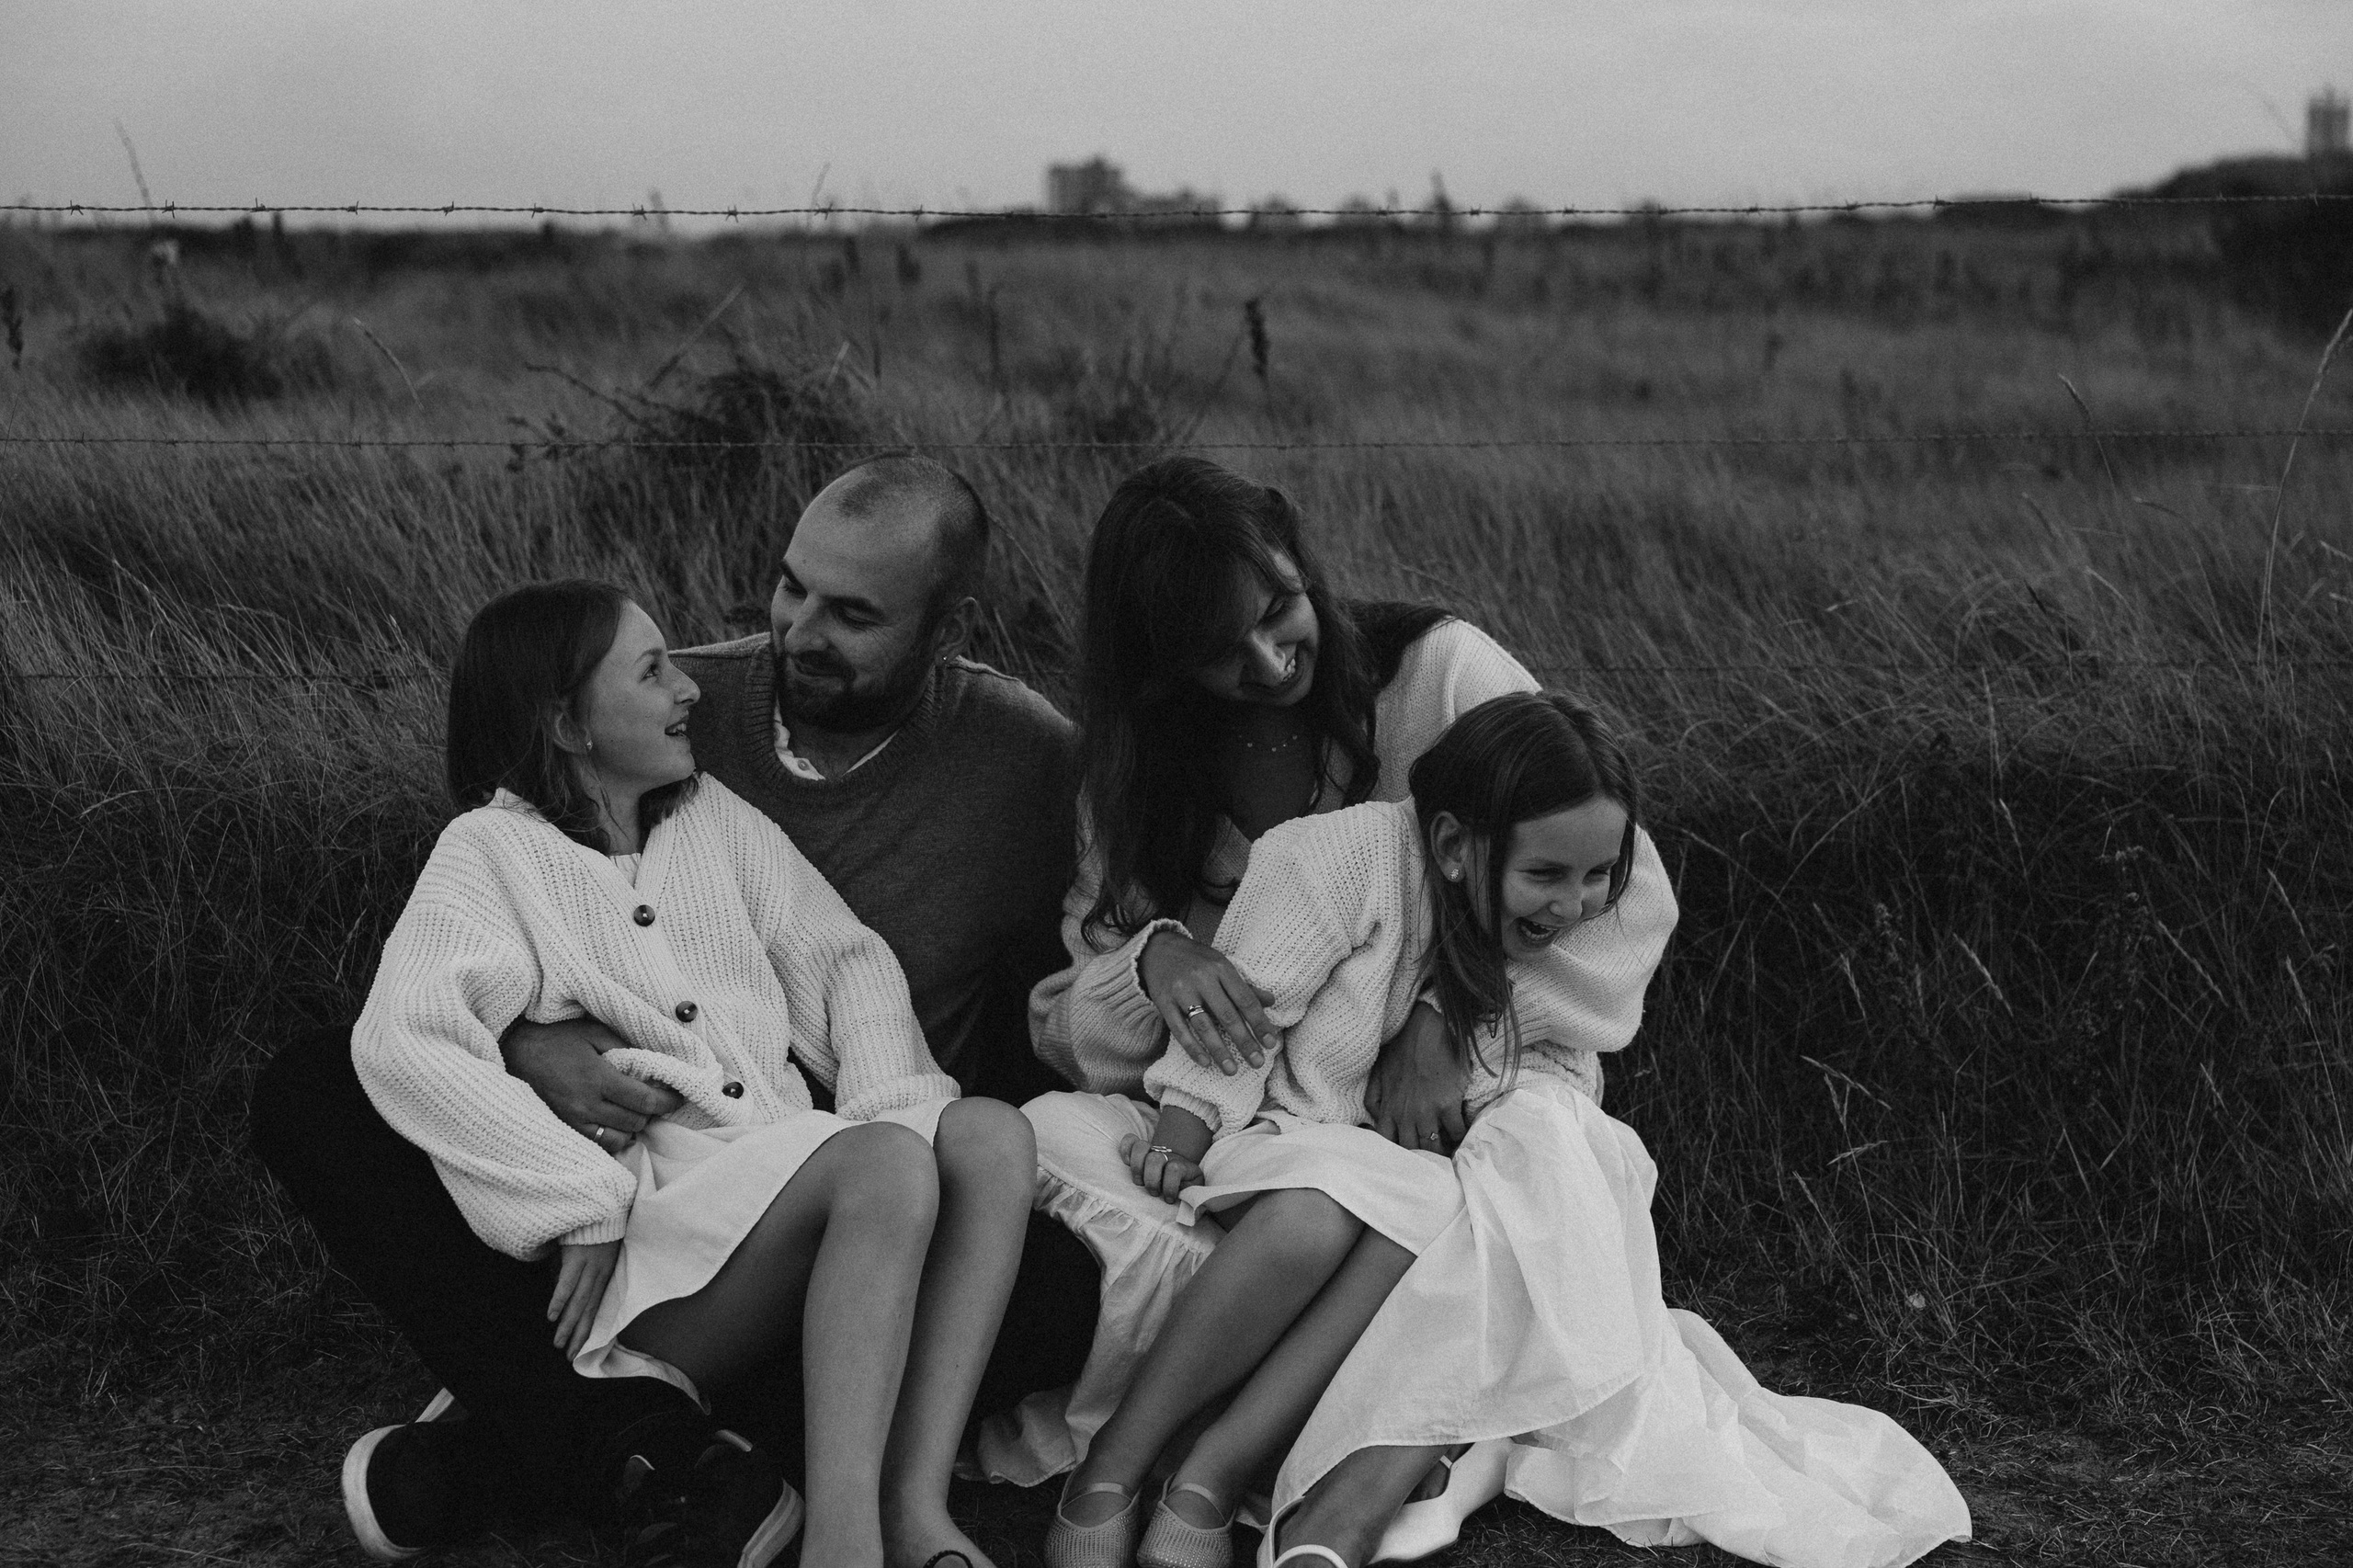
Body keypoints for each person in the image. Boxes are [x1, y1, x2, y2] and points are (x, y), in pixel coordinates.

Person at [251, 455, 1091, 1562]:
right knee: (316, 1080)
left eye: (850, 613)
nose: (789, 632)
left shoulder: (992, 758)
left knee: (1003, 1160)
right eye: (789, 588)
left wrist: (900, 1114)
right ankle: (825, 1524)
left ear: (945, 624)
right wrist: (551, 1111)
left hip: (798, 1161)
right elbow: (420, 1014)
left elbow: (844, 960)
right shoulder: (539, 817)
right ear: (570, 722)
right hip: (643, 1193)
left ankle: (590, 1454)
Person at [989, 457, 1677, 1487]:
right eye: (1222, 653)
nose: (1271, 662)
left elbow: (1616, 896)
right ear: (1159, 667)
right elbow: (1068, 1022)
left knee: (1426, 1197)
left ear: (1301, 559)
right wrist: (1153, 958)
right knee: (1071, 1192)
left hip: (1448, 1088)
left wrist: (1452, 1007)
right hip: (1246, 1107)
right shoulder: (1135, 776)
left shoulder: (1437, 676)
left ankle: (1228, 1468)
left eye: (1280, 608)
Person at [1245, 696, 1972, 1568]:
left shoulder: (1565, 947)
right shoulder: (1373, 865)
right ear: (1451, 848)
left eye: (1598, 877)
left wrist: (1449, 1015)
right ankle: (1411, 1471)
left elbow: (1565, 1043)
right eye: (1549, 875)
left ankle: (1366, 1492)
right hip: (1385, 1148)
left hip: (1523, 1115)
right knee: (1527, 1167)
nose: (1577, 904)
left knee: (1551, 1144)